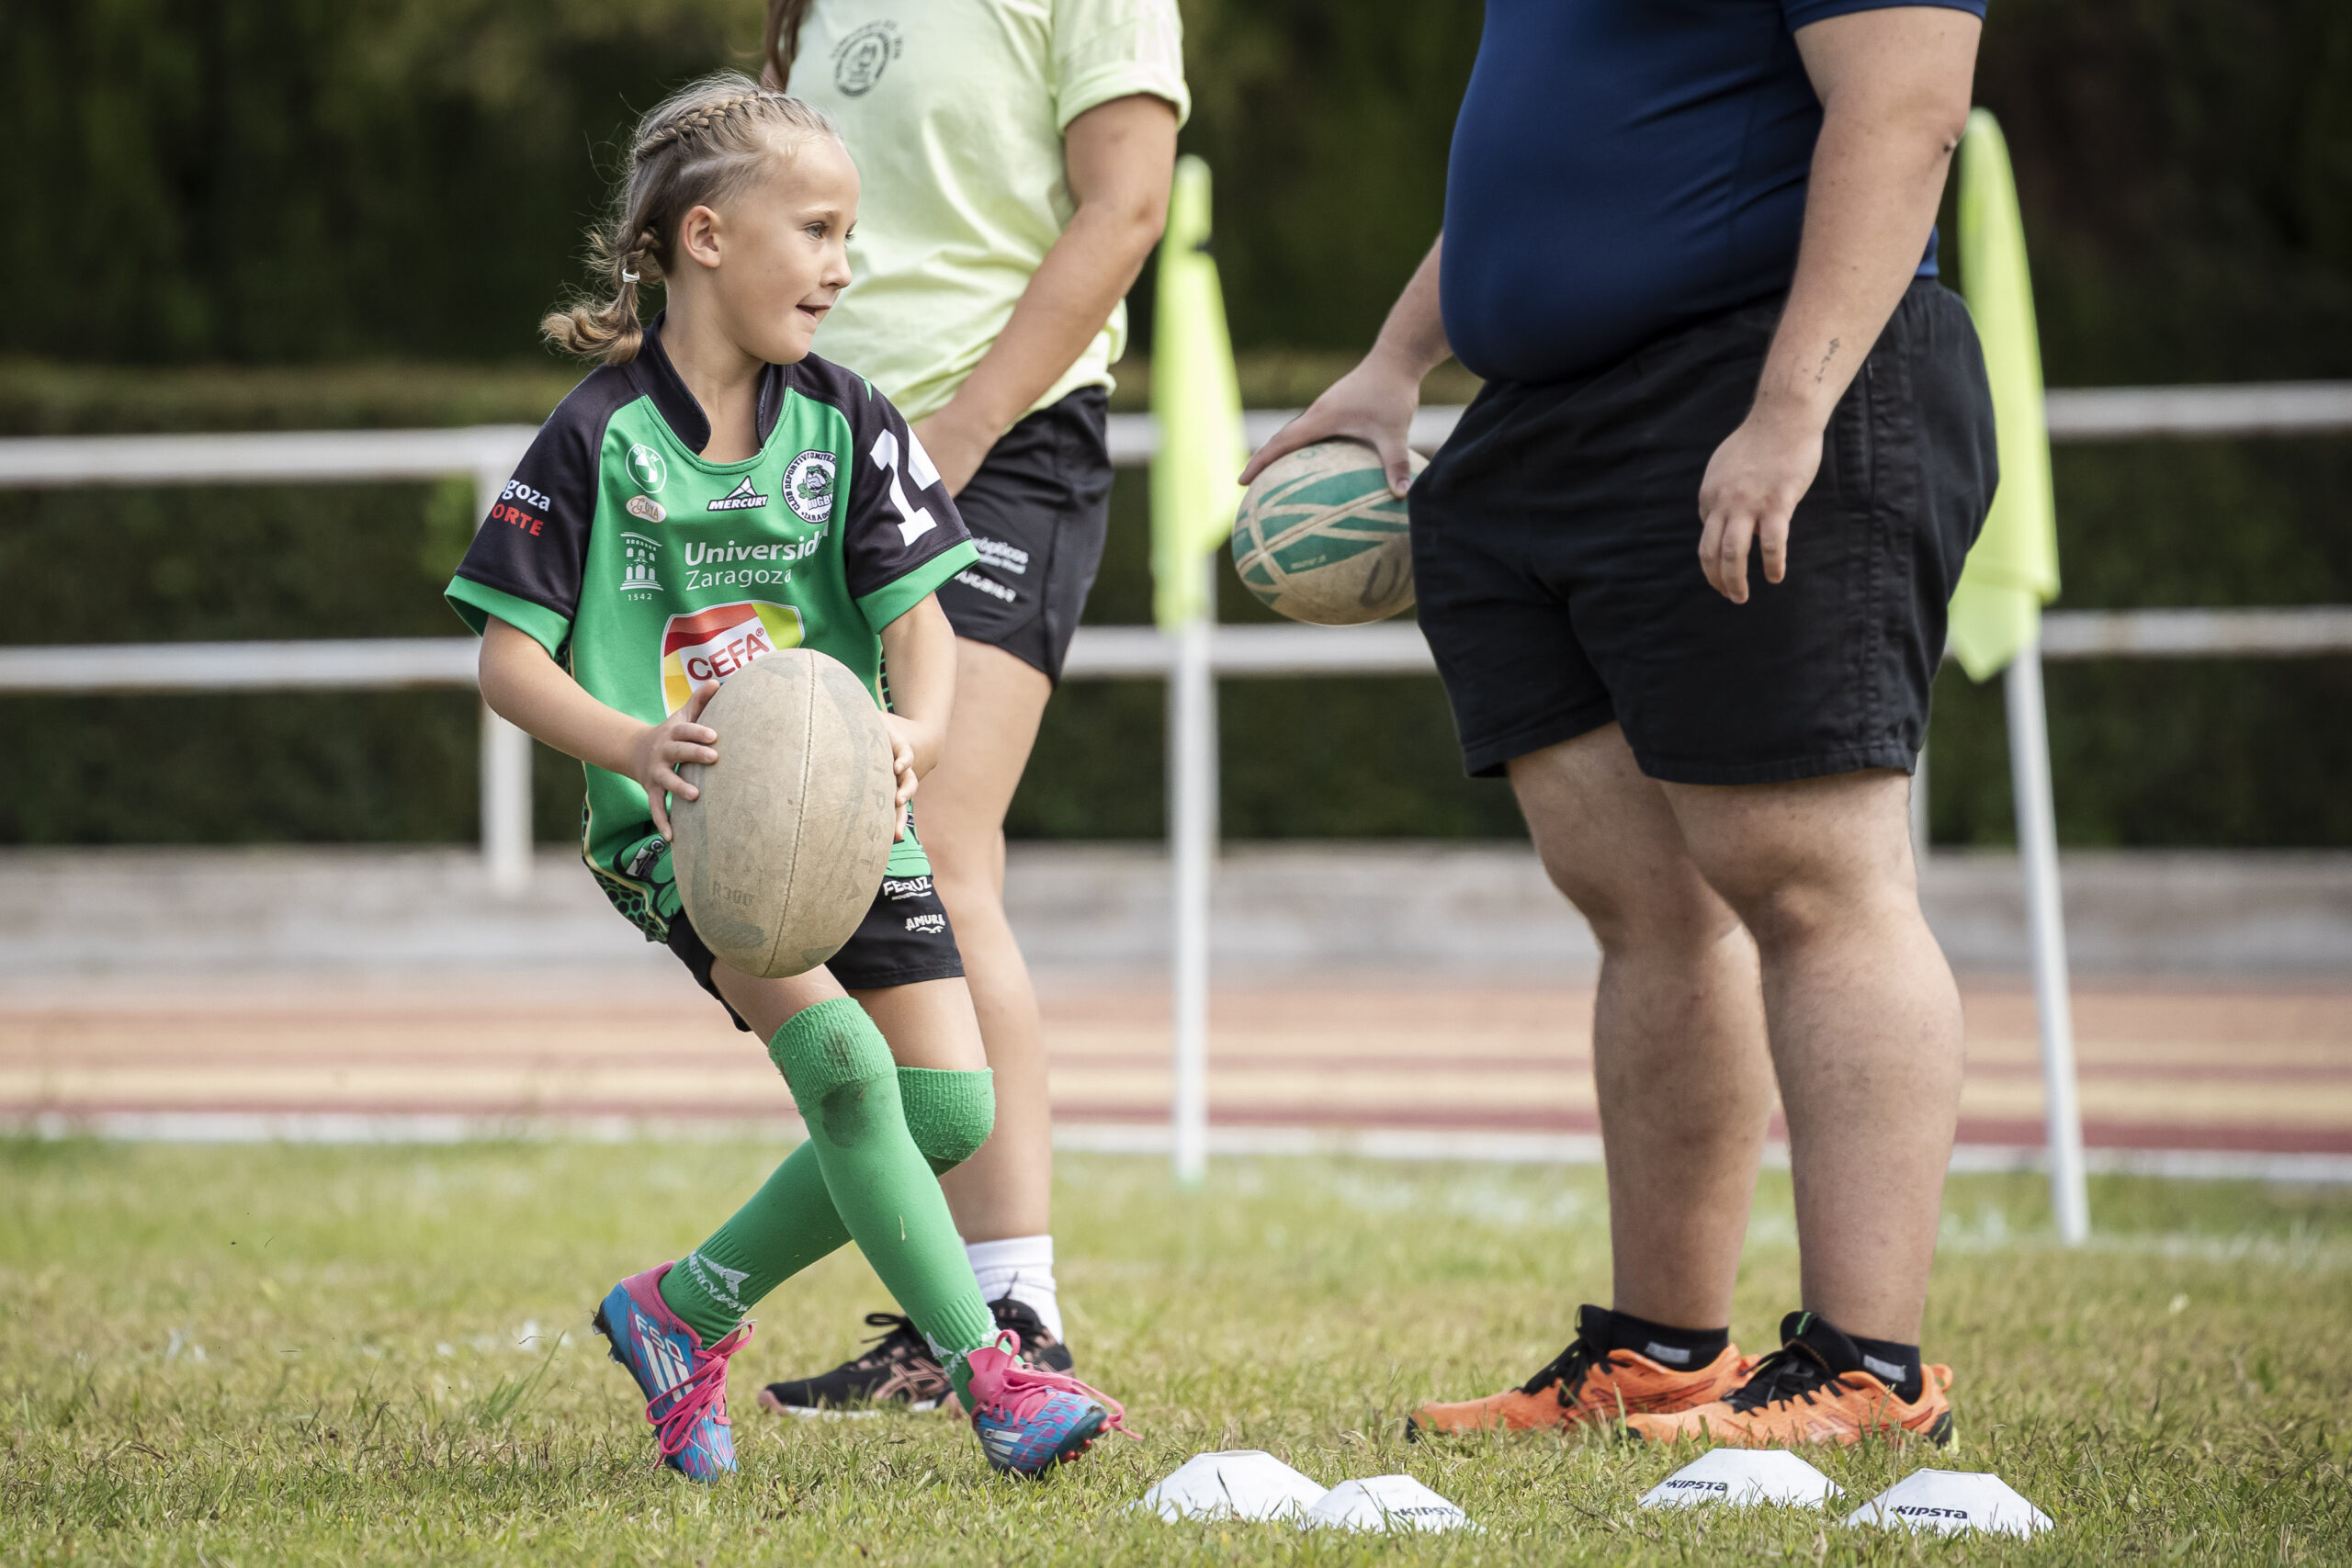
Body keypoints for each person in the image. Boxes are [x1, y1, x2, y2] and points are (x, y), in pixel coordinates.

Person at [1245, 0, 1997, 1448]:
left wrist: (1791, 412)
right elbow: (1565, 153)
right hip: (1542, 415)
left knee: (1812, 878)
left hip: (1758, 379)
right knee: (1642, 902)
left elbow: (1904, 111)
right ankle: (1661, 1349)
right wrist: (1400, 358)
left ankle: (1870, 1369)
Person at [447, 73, 1126, 1480]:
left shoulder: (852, 424)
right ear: (704, 238)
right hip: (693, 830)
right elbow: (508, 664)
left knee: (949, 1107)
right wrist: (633, 744)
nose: (840, 263)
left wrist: (918, 738)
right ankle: (990, 1377)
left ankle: (679, 1308)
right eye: (814, 228)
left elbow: (922, 627)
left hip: (848, 819)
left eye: (847, 234)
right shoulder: (597, 437)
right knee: (841, 1064)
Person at [752, 0, 1185, 1413]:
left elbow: (1125, 208)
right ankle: (945, 1317)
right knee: (842, 870)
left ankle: (1013, 1315)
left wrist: (954, 436)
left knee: (934, 850)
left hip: (989, 442)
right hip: (818, 458)